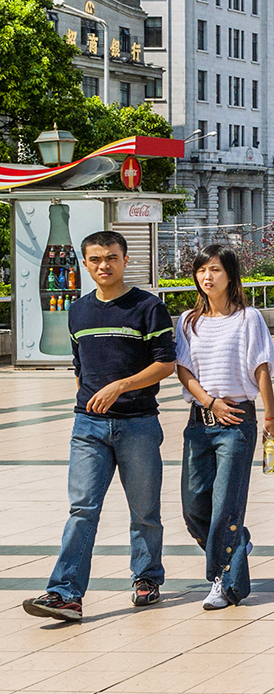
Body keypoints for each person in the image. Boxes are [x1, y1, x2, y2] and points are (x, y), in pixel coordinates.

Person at [24, 231, 176, 623]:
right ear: (86, 263)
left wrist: (121, 386)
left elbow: (165, 363)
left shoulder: (148, 307)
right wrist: (88, 400)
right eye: (95, 259)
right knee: (81, 509)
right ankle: (65, 594)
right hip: (88, 427)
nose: (103, 266)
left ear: (125, 261)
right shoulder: (79, 311)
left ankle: (146, 577)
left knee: (144, 511)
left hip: (138, 423)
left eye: (111, 258)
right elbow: (80, 365)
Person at [172, 245, 274, 610]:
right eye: (202, 270)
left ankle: (224, 582)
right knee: (193, 508)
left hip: (237, 421)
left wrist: (270, 418)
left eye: (215, 270)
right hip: (200, 422)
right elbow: (183, 370)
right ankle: (239, 543)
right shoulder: (188, 321)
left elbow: (261, 367)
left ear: (230, 275)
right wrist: (209, 402)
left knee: (225, 508)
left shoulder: (249, 319)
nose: (207, 277)